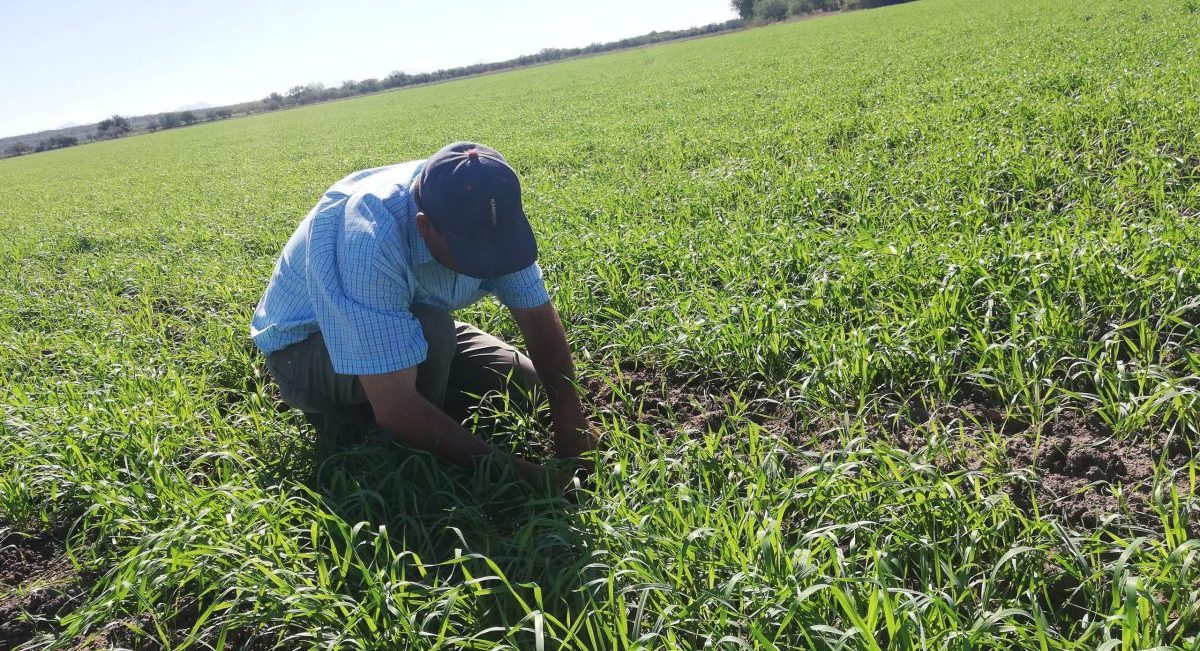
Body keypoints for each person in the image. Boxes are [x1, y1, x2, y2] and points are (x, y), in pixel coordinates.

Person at [250, 142, 596, 481]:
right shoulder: (370, 239)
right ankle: (380, 448)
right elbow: (397, 407)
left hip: (400, 321)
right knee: (431, 331)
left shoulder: (486, 206)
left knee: (529, 385)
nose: (491, 263)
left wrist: (570, 419)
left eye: (499, 250)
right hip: (309, 347)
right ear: (424, 226)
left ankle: (437, 415)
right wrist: (524, 478)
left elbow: (538, 319)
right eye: (474, 254)